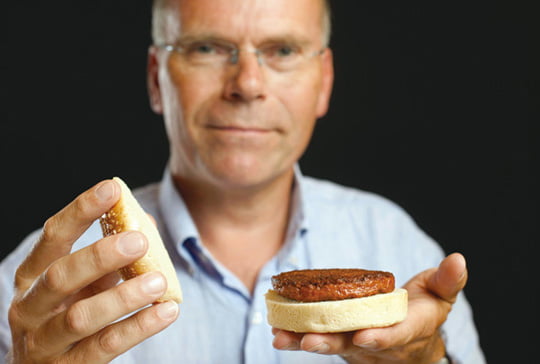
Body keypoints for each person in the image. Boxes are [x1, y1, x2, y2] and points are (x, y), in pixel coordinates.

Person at [1, 0, 485, 363]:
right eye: (208, 48)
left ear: (325, 80)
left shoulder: (399, 246)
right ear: (156, 78)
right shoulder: (37, 295)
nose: (247, 84)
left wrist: (427, 359)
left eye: (283, 50)